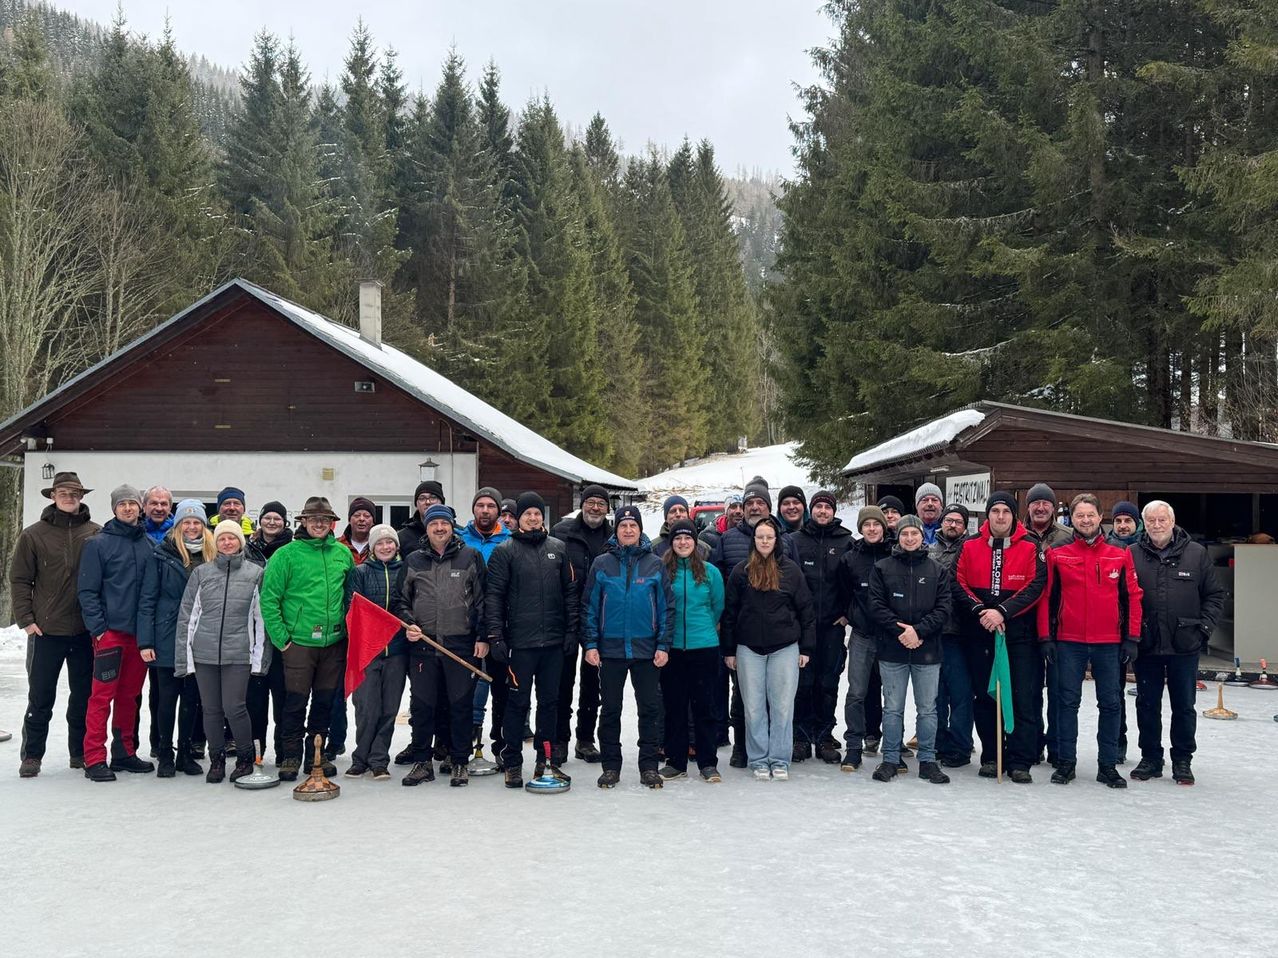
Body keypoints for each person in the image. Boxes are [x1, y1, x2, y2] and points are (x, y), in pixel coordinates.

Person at [1037, 493, 1143, 788]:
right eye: (1080, 515)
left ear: (1100, 517)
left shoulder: (1120, 553)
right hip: (1068, 640)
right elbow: (1046, 597)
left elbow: (1133, 596)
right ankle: (1066, 762)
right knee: (1067, 702)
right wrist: (1046, 636)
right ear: (1072, 519)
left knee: (1111, 703)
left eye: (1090, 515)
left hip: (1109, 642)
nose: (1085, 520)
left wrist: (1132, 637)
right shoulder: (1058, 552)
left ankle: (1107, 765)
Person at [484, 491, 579, 789]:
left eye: (537, 513)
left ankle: (545, 761)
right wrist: (496, 635)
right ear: (518, 518)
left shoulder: (558, 549)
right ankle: (512, 762)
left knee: (550, 703)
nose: (533, 518)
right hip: (520, 645)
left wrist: (571, 632)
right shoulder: (505, 551)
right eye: (528, 514)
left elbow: (570, 593)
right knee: (516, 704)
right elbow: (494, 596)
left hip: (553, 644)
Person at [1129, 501, 1225, 786]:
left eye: (1162, 519)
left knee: (1184, 705)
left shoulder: (1196, 553)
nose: (1157, 525)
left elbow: (1214, 595)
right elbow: (1122, 596)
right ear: (1144, 524)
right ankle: (1150, 758)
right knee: (1147, 704)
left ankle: (1182, 760)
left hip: (1185, 644)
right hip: (1147, 643)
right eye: (1151, 520)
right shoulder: (1131, 554)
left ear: (1172, 521)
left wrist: (1203, 630)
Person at [12, 472, 100, 778]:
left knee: (84, 697)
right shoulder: (33, 535)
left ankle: (80, 753)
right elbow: (20, 579)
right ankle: (32, 755)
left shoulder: (96, 534)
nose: (69, 497)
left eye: (75, 493)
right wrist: (26, 620)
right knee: (40, 697)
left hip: (85, 631)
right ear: (53, 496)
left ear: (82, 496)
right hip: (46, 631)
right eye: (63, 492)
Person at [953, 492, 1046, 782]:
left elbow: (1036, 585)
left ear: (1014, 516)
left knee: (1021, 696)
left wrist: (1003, 612)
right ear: (988, 515)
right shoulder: (970, 545)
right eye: (995, 511)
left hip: (1018, 633)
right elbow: (957, 582)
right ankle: (993, 756)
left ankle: (1020, 759)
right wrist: (981, 611)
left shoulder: (1030, 545)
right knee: (986, 696)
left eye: (1006, 511)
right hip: (980, 630)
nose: (1001, 516)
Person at [260, 496, 354, 781]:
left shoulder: (342, 554)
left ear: (331, 523)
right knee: (295, 702)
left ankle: (317, 754)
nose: (319, 524)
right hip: (298, 643)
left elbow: (351, 597)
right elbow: (269, 599)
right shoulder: (286, 555)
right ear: (303, 522)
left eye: (324, 520)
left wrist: (348, 632)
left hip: (333, 643)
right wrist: (283, 640)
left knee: (324, 703)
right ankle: (290, 754)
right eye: (313, 519)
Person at [709, 477, 799, 766]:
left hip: (780, 635)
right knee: (746, 698)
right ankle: (743, 748)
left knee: (779, 699)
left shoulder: (786, 541)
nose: (755, 507)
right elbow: (719, 585)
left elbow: (799, 591)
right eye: (750, 503)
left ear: (769, 508)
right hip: (743, 633)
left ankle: (779, 753)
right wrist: (726, 633)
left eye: (761, 502)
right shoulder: (728, 540)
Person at [394, 506, 487, 787]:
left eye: (444, 523)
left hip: (460, 645)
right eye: (433, 523)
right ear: (426, 527)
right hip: (424, 645)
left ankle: (459, 761)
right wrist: (409, 623)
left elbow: (483, 600)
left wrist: (482, 637)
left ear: (451, 526)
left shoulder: (470, 556)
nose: (439, 528)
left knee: (460, 705)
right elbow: (400, 601)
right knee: (423, 706)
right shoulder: (414, 559)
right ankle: (423, 762)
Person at [582, 505, 673, 789]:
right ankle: (611, 766)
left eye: (633, 525)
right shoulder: (602, 564)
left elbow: (666, 608)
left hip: (647, 651)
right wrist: (591, 643)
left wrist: (663, 645)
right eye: (623, 525)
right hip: (611, 651)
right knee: (610, 709)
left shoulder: (655, 564)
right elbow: (590, 607)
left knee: (649, 709)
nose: (629, 530)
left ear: (640, 529)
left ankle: (649, 766)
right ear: (617, 530)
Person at [174, 520, 269, 784]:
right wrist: (185, 658)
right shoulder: (202, 573)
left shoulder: (255, 574)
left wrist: (260, 659)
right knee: (211, 709)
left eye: (232, 538)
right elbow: (188, 615)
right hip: (204, 653)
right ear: (216, 543)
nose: (227, 542)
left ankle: (245, 758)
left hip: (238, 653)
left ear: (241, 541)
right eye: (222, 539)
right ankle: (216, 759)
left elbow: (261, 620)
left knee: (234, 707)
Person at [721, 515, 815, 781]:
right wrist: (729, 650)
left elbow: (806, 611)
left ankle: (780, 758)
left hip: (784, 647)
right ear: (754, 540)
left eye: (769, 537)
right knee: (753, 707)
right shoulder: (741, 571)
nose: (764, 541)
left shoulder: (791, 571)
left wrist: (806, 648)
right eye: (760, 537)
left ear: (777, 540)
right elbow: (730, 613)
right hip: (748, 649)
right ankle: (759, 758)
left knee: (782, 706)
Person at [75, 485, 157, 782]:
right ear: (114, 509)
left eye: (132, 503)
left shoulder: (149, 545)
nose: (128, 508)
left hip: (139, 637)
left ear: (140, 507)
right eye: (122, 504)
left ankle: (123, 752)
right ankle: (94, 757)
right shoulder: (98, 544)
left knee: (129, 696)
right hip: (110, 634)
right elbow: (87, 591)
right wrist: (99, 629)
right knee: (101, 697)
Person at [867, 515, 952, 784]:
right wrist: (901, 631)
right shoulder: (883, 567)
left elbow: (944, 608)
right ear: (899, 537)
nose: (910, 538)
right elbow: (876, 605)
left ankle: (927, 759)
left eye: (915, 533)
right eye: (905, 534)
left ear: (922, 537)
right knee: (892, 708)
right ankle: (890, 759)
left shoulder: (937, 569)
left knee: (927, 708)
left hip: (927, 650)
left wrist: (919, 631)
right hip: (892, 649)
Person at [137, 499, 212, 778]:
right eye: (186, 522)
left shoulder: (211, 556)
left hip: (199, 637)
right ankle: (165, 753)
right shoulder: (162, 554)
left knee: (192, 699)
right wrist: (146, 641)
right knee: (167, 699)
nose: (191, 527)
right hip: (167, 635)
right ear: (178, 525)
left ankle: (185, 753)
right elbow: (147, 599)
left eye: (196, 522)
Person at [658, 519, 725, 782]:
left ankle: (708, 762)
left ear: (695, 542)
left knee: (705, 707)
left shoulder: (710, 572)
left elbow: (718, 606)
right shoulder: (662, 571)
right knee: (674, 707)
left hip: (704, 647)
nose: (683, 542)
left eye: (688, 538)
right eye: (678, 538)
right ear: (671, 543)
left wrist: (705, 628)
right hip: (672, 648)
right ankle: (676, 761)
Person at [550, 485, 611, 764]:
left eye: (600, 503)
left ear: (607, 508)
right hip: (565, 616)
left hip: (599, 618)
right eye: (591, 502)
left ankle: (585, 739)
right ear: (582, 505)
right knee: (562, 681)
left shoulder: (614, 536)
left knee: (593, 682)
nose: (595, 508)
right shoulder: (562, 532)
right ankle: (560, 739)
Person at [791, 489, 852, 763]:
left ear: (834, 511)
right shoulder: (795, 540)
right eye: (818, 507)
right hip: (802, 626)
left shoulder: (847, 542)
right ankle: (801, 737)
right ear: (811, 510)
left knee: (828, 682)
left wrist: (848, 613)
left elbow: (858, 581)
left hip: (832, 626)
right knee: (803, 683)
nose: (823, 511)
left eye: (828, 507)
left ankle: (825, 736)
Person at [345, 524, 409, 781]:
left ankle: (379, 760)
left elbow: (408, 604)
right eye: (380, 543)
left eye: (389, 542)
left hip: (397, 650)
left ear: (396, 546)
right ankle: (360, 758)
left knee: (389, 708)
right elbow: (351, 607)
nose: (385, 547)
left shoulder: (405, 571)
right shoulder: (360, 572)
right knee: (367, 707)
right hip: (368, 651)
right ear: (372, 548)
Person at [836, 506, 892, 771]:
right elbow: (843, 591)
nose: (872, 529)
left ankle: (893, 747)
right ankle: (854, 746)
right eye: (867, 525)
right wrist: (848, 615)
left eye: (876, 524)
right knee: (856, 692)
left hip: (890, 635)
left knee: (892, 695)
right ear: (860, 528)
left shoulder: (895, 553)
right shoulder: (850, 558)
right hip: (862, 634)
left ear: (883, 527)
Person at [460, 486, 511, 761]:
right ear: (473, 509)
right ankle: (463, 744)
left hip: (502, 625)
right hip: (466, 624)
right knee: (465, 688)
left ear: (498, 511)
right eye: (480, 505)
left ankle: (500, 744)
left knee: (501, 687)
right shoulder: (460, 540)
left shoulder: (510, 541)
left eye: (491, 506)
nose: (485, 510)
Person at [244, 500, 291, 764]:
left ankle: (285, 753)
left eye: (277, 518)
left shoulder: (291, 550)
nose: (272, 522)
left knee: (284, 700)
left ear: (285, 522)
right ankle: (256, 755)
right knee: (255, 702)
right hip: (254, 638)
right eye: (267, 517)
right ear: (260, 520)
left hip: (283, 634)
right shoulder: (247, 550)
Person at [929, 503, 973, 767]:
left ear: (965, 526)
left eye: (958, 521)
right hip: (933, 633)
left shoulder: (971, 549)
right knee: (935, 695)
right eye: (949, 520)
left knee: (961, 694)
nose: (952, 525)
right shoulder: (928, 550)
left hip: (961, 633)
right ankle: (937, 742)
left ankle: (960, 746)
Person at [1105, 499, 1142, 763]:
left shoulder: (1145, 548)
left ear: (1136, 523)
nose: (1122, 525)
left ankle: (1151, 750)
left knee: (1148, 696)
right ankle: (1118, 742)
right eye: (1118, 521)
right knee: (1114, 693)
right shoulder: (1107, 548)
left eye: (1128, 520)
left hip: (1145, 629)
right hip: (1116, 631)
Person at [398, 480, 446, 556]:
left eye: (433, 497)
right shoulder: (403, 537)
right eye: (422, 498)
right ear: (416, 504)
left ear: (442, 502)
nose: (428, 502)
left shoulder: (457, 534)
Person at [338, 496, 378, 565]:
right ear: (349, 520)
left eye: (367, 516)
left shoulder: (380, 547)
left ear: (373, 521)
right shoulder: (337, 546)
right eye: (357, 515)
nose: (361, 519)